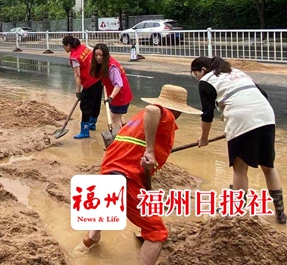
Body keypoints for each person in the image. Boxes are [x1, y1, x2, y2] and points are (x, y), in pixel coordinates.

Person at [81, 85, 202, 265]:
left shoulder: (139, 119)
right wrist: (151, 151)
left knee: (107, 203)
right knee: (156, 233)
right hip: (125, 175)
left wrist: (151, 152)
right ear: (178, 110)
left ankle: (91, 239)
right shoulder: (165, 114)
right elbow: (152, 109)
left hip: (110, 167)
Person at [190, 56, 287, 224]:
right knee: (268, 166)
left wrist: (204, 138)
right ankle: (281, 214)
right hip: (266, 115)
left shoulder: (206, 80)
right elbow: (263, 94)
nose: (197, 78)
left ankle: (237, 212)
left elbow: (207, 114)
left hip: (242, 119)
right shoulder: (235, 72)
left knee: (240, 169)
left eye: (195, 74)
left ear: (203, 70)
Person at [62, 36, 102, 138]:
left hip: (89, 82)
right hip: (98, 78)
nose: (63, 48)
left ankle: (84, 131)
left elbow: (77, 75)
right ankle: (92, 124)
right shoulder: (84, 47)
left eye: (64, 46)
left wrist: (78, 91)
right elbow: (94, 52)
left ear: (69, 45)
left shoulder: (74, 57)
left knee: (85, 106)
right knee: (96, 102)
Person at [90, 43, 133, 132]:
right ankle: (125, 132)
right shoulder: (103, 65)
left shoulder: (112, 67)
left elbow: (118, 84)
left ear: (105, 55)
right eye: (96, 55)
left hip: (120, 96)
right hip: (116, 96)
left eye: (101, 55)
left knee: (114, 119)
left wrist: (111, 97)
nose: (98, 57)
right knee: (119, 117)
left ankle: (117, 141)